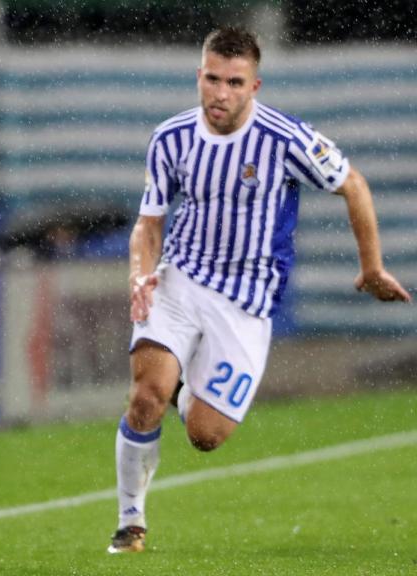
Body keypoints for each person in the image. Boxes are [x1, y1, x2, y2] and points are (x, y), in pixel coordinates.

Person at [109, 26, 412, 554]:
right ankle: (130, 523)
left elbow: (353, 184)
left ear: (255, 86)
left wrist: (371, 266)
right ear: (198, 76)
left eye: (234, 82)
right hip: (180, 278)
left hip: (247, 301)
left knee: (206, 435)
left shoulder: (286, 139)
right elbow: (149, 223)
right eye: (211, 79)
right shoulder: (171, 138)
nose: (220, 93)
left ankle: (185, 389)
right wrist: (140, 272)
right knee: (144, 397)